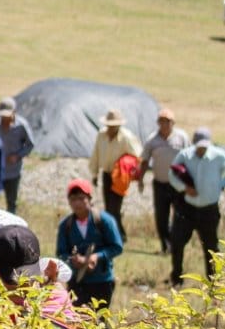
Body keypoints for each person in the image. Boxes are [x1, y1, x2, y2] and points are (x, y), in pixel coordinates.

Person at [168, 128, 225, 285]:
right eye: (199, 146)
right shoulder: (185, 155)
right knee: (178, 242)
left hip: (209, 210)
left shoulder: (218, 156)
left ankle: (213, 281)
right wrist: (184, 188)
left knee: (211, 246)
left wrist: (221, 185)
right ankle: (176, 278)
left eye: (205, 146)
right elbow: (172, 173)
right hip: (187, 208)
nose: (202, 149)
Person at [55, 177, 124, 311]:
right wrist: (73, 260)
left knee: (100, 322)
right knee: (76, 321)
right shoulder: (66, 225)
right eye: (73, 199)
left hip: (102, 281)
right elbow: (61, 253)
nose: (77, 203)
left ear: (89, 198)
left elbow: (117, 246)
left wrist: (96, 257)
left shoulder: (104, 220)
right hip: (77, 282)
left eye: (81, 198)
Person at [137, 108, 187, 255]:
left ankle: (176, 245)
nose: (165, 125)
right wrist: (141, 179)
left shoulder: (182, 137)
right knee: (161, 218)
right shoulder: (152, 140)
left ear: (173, 123)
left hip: (177, 184)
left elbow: (189, 158)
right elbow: (145, 160)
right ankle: (166, 247)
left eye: (168, 122)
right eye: (162, 122)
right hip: (160, 183)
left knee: (179, 216)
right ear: (158, 123)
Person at [87, 109, 142, 224]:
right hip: (107, 174)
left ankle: (118, 235)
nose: (111, 128)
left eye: (114, 126)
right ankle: (118, 234)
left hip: (120, 176)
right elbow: (96, 154)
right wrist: (95, 174)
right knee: (109, 207)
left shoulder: (127, 137)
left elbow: (138, 156)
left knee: (114, 207)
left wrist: (130, 171)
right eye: (109, 125)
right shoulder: (101, 135)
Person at [0, 98, 34, 214]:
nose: (5, 118)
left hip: (13, 171)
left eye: (7, 115)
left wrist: (18, 156)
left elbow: (30, 145)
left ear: (14, 112)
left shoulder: (21, 126)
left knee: (11, 202)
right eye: (2, 116)